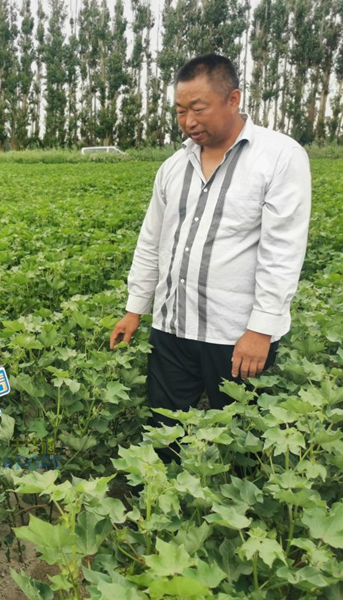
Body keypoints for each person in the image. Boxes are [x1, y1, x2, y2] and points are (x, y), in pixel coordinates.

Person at [110, 54, 311, 433]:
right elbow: (152, 240)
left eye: (198, 109)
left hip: (237, 336)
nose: (188, 122)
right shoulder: (173, 166)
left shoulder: (279, 158)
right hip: (171, 329)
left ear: (233, 100)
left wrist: (262, 330)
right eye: (180, 111)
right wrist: (135, 308)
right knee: (164, 431)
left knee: (240, 439)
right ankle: (164, 489)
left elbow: (282, 251)